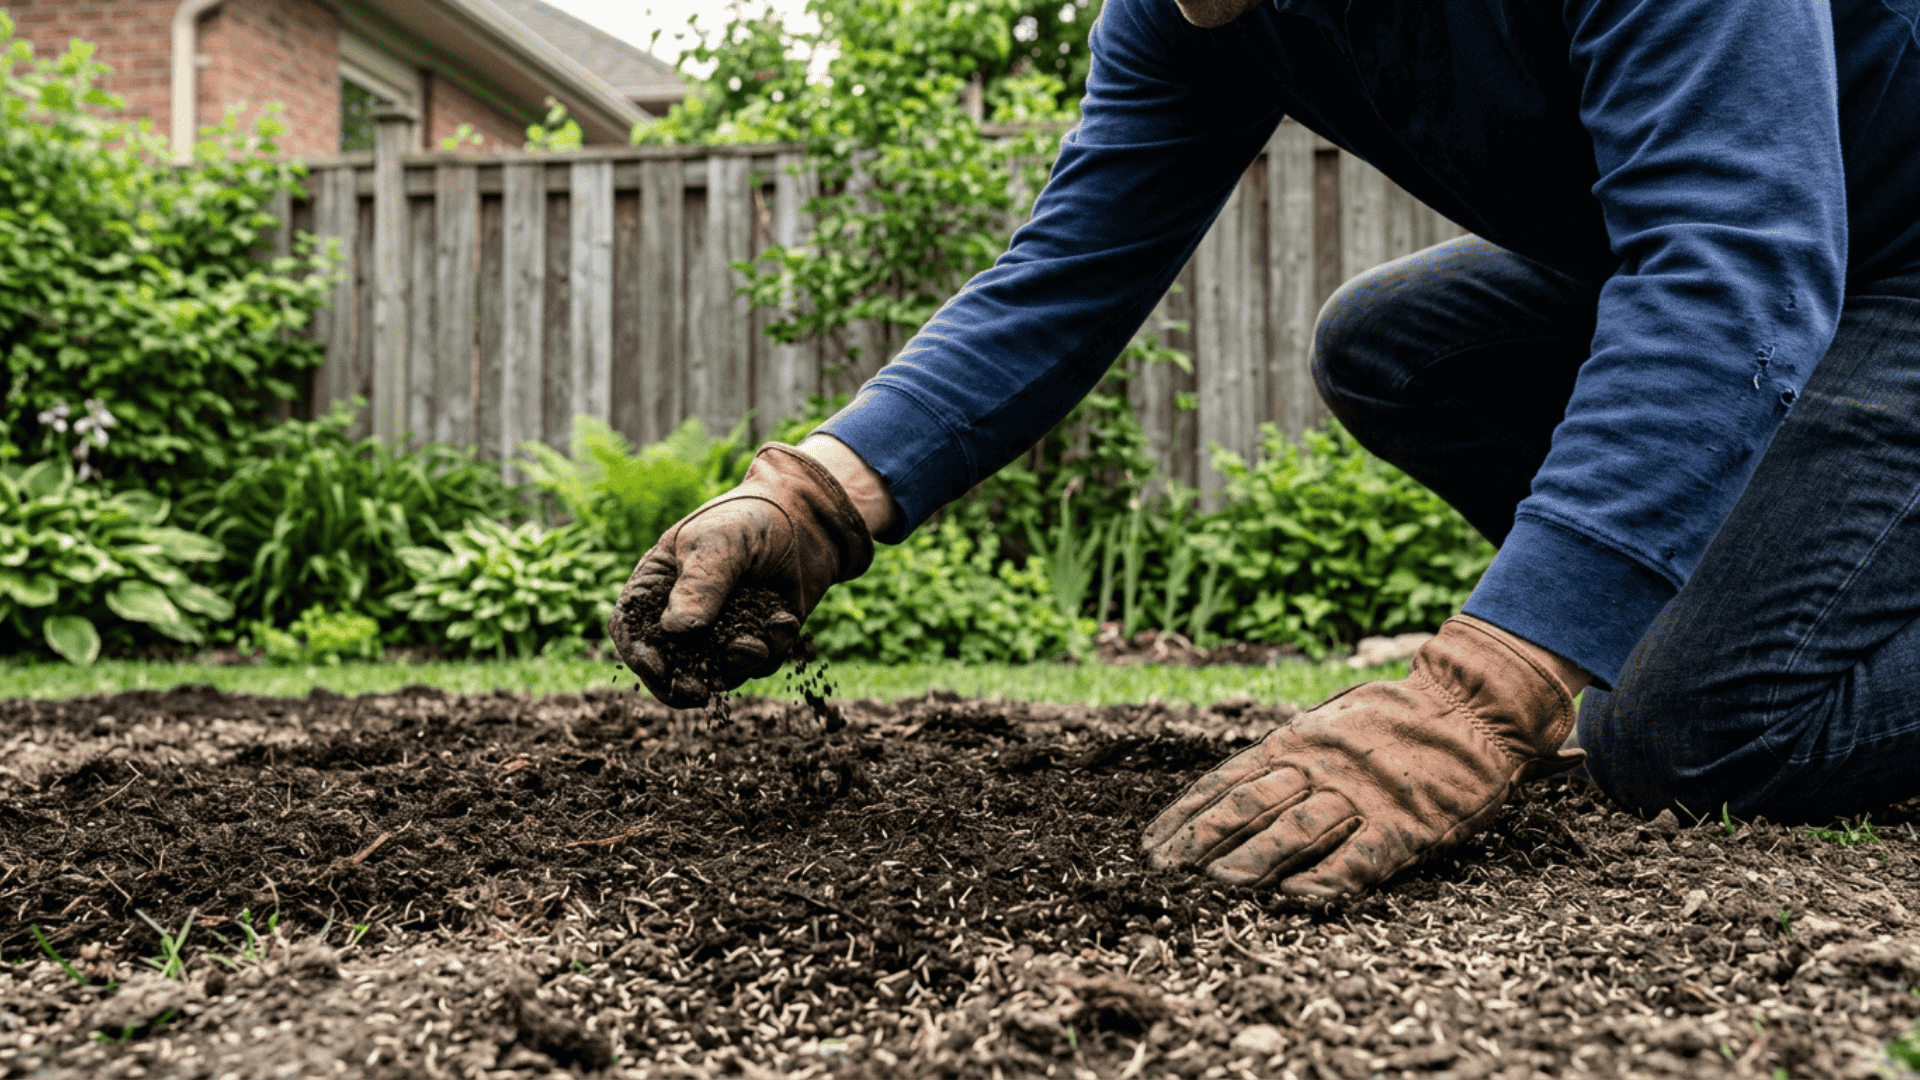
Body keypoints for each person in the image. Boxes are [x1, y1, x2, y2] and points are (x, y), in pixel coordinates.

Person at [610, 0, 1920, 899]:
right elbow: (1065, 272)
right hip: (1803, 254)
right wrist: (817, 500)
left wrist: (1484, 691)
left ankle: (1692, 651)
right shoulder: (1200, 18)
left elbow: (1729, 273)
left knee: (1708, 733)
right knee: (1400, 347)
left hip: (1882, 257)